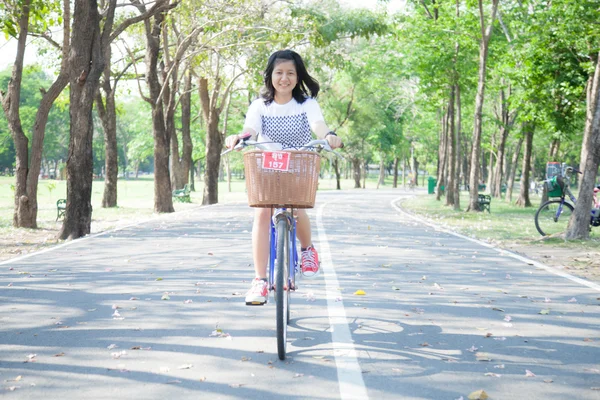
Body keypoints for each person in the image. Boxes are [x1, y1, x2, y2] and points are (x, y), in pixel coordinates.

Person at [225, 49, 343, 305]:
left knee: (298, 209)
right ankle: (259, 280)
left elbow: (319, 127)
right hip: (268, 167)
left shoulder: (307, 104)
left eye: (290, 73)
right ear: (270, 76)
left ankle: (307, 249)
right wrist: (238, 138)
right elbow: (250, 131)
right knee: (262, 212)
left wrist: (330, 135)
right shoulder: (260, 105)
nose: (284, 78)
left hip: (299, 166)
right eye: (279, 72)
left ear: (298, 76)